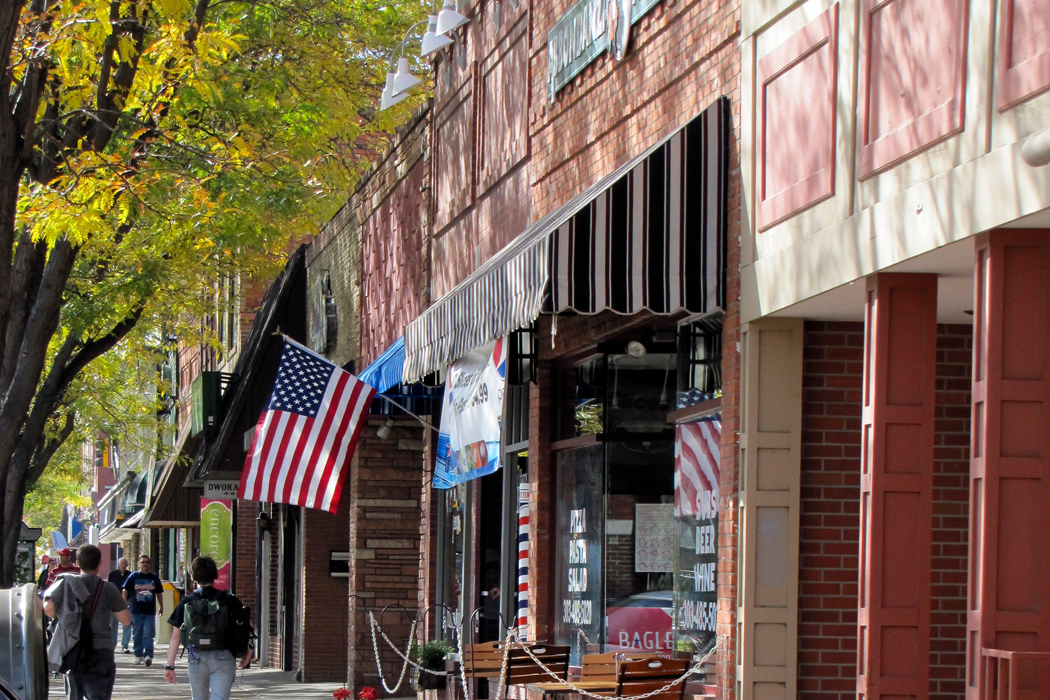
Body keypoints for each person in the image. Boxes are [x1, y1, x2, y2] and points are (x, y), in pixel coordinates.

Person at [43, 544, 132, 700]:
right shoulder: (109, 588)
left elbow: (48, 608)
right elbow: (125, 620)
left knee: (75, 694)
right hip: (101, 649)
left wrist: (66, 617)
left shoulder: (66, 584)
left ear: (77, 563)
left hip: (74, 648)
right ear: (99, 563)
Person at [164, 556, 251, 700]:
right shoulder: (229, 600)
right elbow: (246, 627)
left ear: (193, 577)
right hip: (223, 656)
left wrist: (170, 666)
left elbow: (175, 636)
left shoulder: (187, 602)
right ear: (215, 575)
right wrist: (248, 651)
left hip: (196, 657)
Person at [122, 555, 163, 666]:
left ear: (150, 564)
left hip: (150, 611)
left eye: (147, 562)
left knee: (148, 634)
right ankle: (138, 655)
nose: (145, 564)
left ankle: (148, 655)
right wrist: (124, 604)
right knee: (137, 634)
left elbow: (159, 592)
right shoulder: (134, 576)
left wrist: (161, 606)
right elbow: (125, 590)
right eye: (143, 562)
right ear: (138, 564)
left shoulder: (154, 577)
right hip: (136, 611)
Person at [106, 558, 131, 653]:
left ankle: (125, 645)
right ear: (118, 565)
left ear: (127, 565)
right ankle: (112, 644)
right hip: (114, 601)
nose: (123, 566)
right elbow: (108, 587)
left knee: (127, 623)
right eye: (121, 564)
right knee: (113, 623)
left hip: (127, 601)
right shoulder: (112, 574)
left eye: (125, 564)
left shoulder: (130, 575)